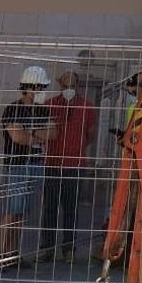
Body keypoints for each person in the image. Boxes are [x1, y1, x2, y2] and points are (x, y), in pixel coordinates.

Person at [41, 65, 97, 261]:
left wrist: (77, 146)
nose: (69, 88)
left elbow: (90, 134)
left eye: (72, 84)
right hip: (52, 163)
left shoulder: (87, 106)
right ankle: (47, 248)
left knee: (71, 209)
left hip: (75, 165)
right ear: (60, 85)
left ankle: (69, 250)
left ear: (78, 85)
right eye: (65, 84)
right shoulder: (49, 105)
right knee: (49, 207)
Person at [0, 65, 54, 264]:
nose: (42, 91)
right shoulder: (13, 109)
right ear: (29, 87)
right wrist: (38, 135)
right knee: (13, 210)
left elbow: (53, 133)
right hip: (17, 165)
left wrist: (31, 133)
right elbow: (17, 137)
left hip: (36, 164)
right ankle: (2, 254)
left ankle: (14, 254)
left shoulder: (42, 110)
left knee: (23, 212)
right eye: (39, 87)